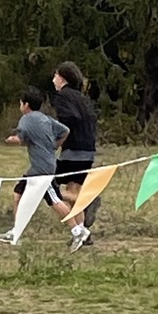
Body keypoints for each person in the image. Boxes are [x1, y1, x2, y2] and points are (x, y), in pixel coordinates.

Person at [0, 87, 91, 253]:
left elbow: (20, 138)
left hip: (43, 170)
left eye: (20, 103)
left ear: (26, 105)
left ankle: (78, 231)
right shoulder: (45, 119)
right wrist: (55, 145)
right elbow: (65, 131)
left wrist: (9, 140)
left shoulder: (26, 120)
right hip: (40, 167)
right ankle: (15, 231)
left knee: (54, 200)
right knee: (18, 194)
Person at [52, 61, 100, 236]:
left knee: (45, 184)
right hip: (88, 149)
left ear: (62, 79)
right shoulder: (82, 97)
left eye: (55, 76)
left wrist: (57, 135)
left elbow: (69, 118)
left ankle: (88, 201)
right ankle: (82, 233)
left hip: (73, 150)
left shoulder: (63, 97)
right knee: (73, 188)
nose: (53, 80)